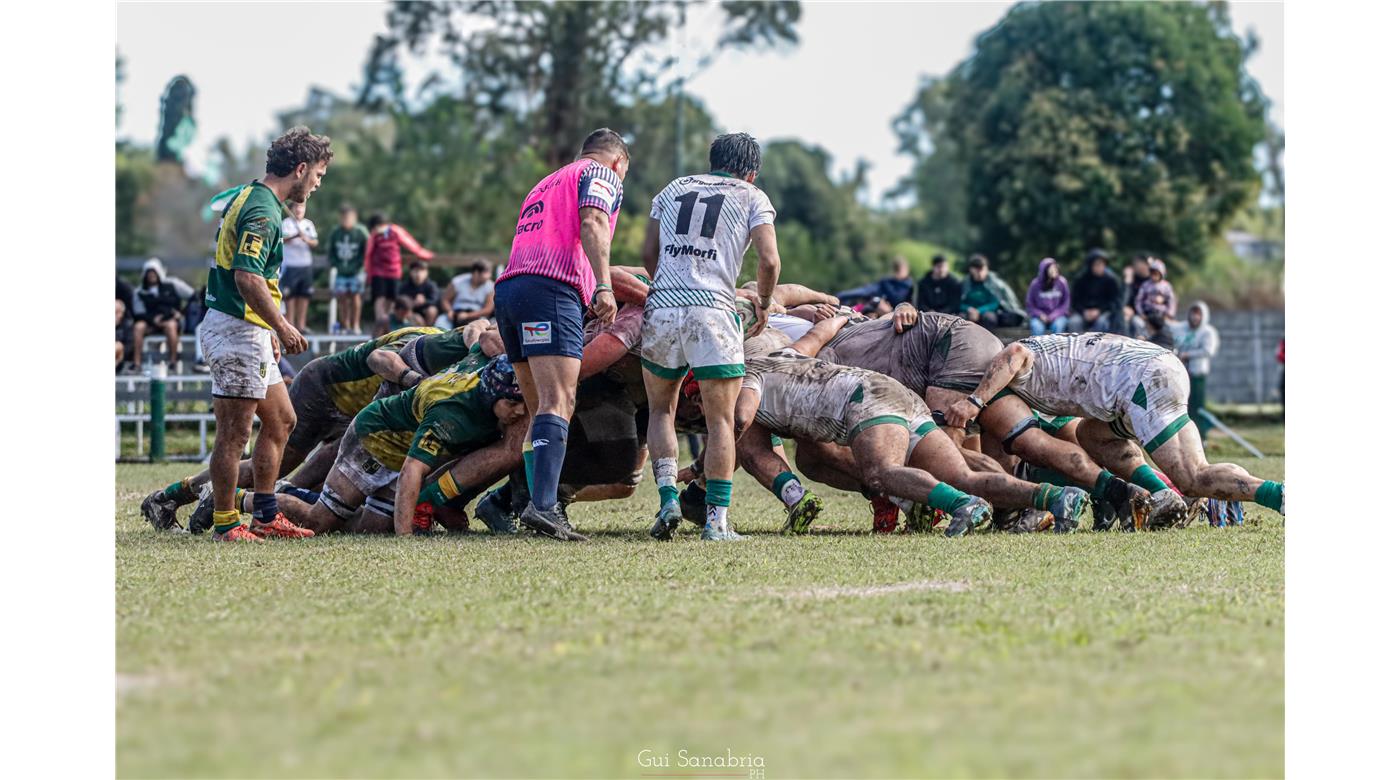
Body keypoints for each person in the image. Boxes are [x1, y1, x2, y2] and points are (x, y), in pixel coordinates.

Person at [943, 333, 1286, 525]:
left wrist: (974, 401)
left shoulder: (1014, 355)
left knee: (1193, 477)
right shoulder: (1051, 354)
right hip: (1156, 368)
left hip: (1141, 381)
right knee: (1094, 435)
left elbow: (1014, 353)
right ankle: (1162, 493)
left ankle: (1278, 495)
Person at [637, 132, 781, 542]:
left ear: (712, 160)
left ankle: (667, 501)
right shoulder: (751, 196)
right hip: (712, 310)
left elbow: (650, 252)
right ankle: (716, 522)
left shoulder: (675, 187)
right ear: (751, 172)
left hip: (663, 305)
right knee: (719, 420)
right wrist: (765, 301)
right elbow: (769, 260)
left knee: (660, 410)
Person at [493, 127, 628, 541]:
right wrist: (603, 284)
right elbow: (593, 221)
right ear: (619, 162)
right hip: (551, 289)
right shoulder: (602, 176)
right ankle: (546, 507)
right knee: (559, 400)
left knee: (539, 410)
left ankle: (530, 504)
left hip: (511, 291)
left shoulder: (545, 182)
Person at [198, 126, 329, 542]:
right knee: (234, 433)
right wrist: (282, 325)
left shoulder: (254, 197)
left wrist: (266, 327)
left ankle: (266, 515)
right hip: (235, 331)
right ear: (301, 168)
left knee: (282, 420)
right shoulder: (263, 211)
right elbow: (247, 277)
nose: (317, 185)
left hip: (248, 330)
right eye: (318, 176)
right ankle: (225, 523)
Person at [275, 356, 528, 535]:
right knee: (318, 521)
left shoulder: (489, 373)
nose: (520, 411)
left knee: (372, 529)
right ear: (493, 392)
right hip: (376, 439)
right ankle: (254, 499)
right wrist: (405, 538)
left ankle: (307, 496)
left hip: (406, 446)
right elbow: (413, 470)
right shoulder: (452, 414)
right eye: (512, 402)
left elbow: (480, 338)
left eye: (523, 402)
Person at [365, 212, 435, 334]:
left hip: (393, 271)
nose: (375, 231)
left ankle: (390, 323)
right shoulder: (374, 236)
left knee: (392, 299)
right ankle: (380, 322)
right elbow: (368, 254)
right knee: (379, 298)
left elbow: (408, 242)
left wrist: (421, 253)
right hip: (378, 271)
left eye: (376, 228)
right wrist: (369, 273)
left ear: (383, 225)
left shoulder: (395, 231)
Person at [132, 257, 186, 371]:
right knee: (138, 327)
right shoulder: (140, 292)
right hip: (149, 322)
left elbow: (175, 304)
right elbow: (138, 312)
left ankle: (173, 361)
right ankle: (136, 363)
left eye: (154, 273)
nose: (152, 276)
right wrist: (153, 320)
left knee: (171, 325)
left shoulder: (169, 287)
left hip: (167, 320)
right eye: (149, 274)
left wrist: (172, 315)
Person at [1174, 302, 1219, 437]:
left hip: (1197, 374)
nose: (1195, 317)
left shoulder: (1208, 332)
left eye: (1198, 314)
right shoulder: (1181, 329)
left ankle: (1201, 436)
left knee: (1196, 408)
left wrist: (1188, 355)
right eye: (1193, 313)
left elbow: (1208, 351)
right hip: (1181, 373)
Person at [326, 205, 369, 334]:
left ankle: (355, 325)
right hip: (341, 271)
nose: (346, 220)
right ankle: (345, 325)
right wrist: (335, 264)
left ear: (355, 218)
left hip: (356, 271)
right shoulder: (336, 232)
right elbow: (330, 250)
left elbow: (367, 250)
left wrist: (360, 265)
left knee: (355, 296)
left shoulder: (361, 232)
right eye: (344, 217)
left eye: (349, 218)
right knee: (342, 297)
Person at [279, 200, 318, 334]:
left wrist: (306, 239)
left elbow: (314, 242)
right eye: (296, 207)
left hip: (305, 265)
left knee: (304, 295)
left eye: (302, 207)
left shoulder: (308, 224)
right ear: (292, 208)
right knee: (290, 296)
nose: (299, 210)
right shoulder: (286, 224)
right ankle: (291, 326)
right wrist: (296, 235)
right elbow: (282, 239)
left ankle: (301, 325)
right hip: (290, 265)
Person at [960, 254, 1025, 328]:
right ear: (971, 269)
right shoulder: (965, 283)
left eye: (982, 270)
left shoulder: (994, 283)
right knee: (959, 319)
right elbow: (958, 302)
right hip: (968, 312)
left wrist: (979, 311)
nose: (980, 273)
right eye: (977, 270)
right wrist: (969, 309)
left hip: (987, 312)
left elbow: (995, 302)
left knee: (989, 318)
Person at [1069, 249, 1122, 333]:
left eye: (1102, 265)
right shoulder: (1080, 279)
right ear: (1090, 265)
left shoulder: (1111, 280)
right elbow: (1075, 300)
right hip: (1083, 312)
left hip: (1103, 311)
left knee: (1102, 322)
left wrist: (1099, 311)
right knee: (1074, 322)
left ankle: (1098, 345)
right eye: (1097, 265)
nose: (1100, 267)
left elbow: (1114, 302)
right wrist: (1083, 311)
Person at [837, 256, 914, 308]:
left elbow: (897, 299)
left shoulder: (907, 285)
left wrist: (885, 283)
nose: (898, 273)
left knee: (846, 295)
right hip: (875, 292)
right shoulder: (890, 281)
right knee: (845, 295)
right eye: (897, 270)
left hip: (880, 298)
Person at [1024, 257, 1071, 335]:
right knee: (1037, 327)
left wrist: (1054, 315)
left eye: (1055, 268)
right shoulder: (1035, 284)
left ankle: (1056, 347)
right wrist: (1040, 315)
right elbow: (1030, 304)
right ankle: (1038, 347)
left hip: (1058, 316)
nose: (1055, 270)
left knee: (1058, 326)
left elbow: (1065, 303)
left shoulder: (1062, 282)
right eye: (1051, 269)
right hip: (1039, 317)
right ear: (1044, 270)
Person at [442, 260, 497, 326]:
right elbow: (445, 299)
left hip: (477, 316)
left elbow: (488, 309)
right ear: (476, 273)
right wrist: (449, 311)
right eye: (486, 273)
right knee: (440, 323)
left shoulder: (490, 286)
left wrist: (468, 315)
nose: (489, 276)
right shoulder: (458, 281)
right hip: (455, 313)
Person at [1134, 258, 1177, 323]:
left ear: (1161, 274)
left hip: (1162, 315)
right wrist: (1141, 313)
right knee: (1136, 321)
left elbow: (1171, 301)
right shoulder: (1145, 285)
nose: (1154, 275)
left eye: (1156, 273)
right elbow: (1138, 300)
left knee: (1170, 325)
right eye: (1152, 273)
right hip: (1147, 314)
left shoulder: (1166, 286)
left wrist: (1169, 314)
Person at [400, 260, 441, 326]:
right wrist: (413, 302)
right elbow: (400, 302)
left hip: (426, 311)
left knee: (432, 310)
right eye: (416, 271)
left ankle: (429, 332)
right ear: (410, 272)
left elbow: (435, 301)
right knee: (412, 315)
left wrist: (424, 301)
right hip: (411, 312)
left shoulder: (431, 285)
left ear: (426, 273)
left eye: (422, 271)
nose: (418, 274)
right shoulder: (405, 286)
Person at [1122, 253, 1152, 335]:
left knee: (1136, 321)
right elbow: (1123, 301)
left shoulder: (1153, 281)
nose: (1134, 266)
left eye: (1137, 263)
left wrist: (1134, 312)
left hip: (1148, 315)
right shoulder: (1131, 279)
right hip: (1132, 313)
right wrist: (1127, 281)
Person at [115, 299, 133, 370]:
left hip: (120, 360)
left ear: (122, 313)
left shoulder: (127, 325)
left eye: (117, 312)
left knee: (118, 345)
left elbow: (129, 347)